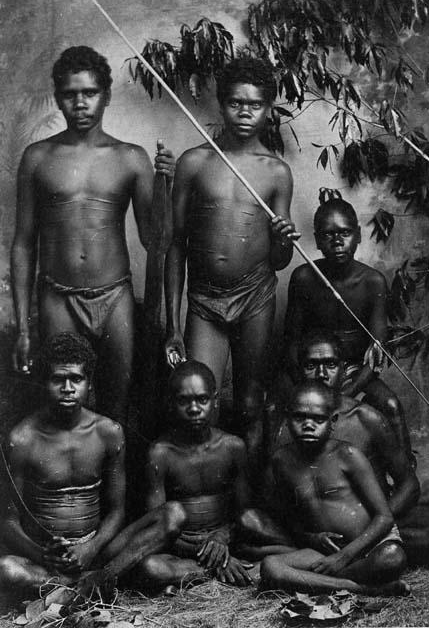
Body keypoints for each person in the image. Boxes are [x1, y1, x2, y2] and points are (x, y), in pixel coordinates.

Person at [11, 46, 175, 422]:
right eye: (70, 95)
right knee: (67, 408)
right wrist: (24, 326)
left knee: (117, 403)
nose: (80, 103)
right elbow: (23, 244)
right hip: (58, 296)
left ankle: (112, 479)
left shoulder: (131, 158)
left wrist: (167, 182)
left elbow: (155, 241)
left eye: (89, 93)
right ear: (58, 98)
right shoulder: (38, 157)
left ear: (106, 96)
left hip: (114, 295)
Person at [164, 58, 298, 468]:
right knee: (198, 399)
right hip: (205, 300)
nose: (244, 112)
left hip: (255, 295)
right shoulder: (194, 162)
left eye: (254, 105)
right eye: (235, 103)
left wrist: (283, 238)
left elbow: (279, 261)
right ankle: (210, 505)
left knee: (251, 402)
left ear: (268, 109)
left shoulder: (276, 172)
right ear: (221, 105)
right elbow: (174, 247)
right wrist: (173, 323)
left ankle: (251, 505)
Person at [284, 198, 411, 457]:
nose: (338, 241)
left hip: (354, 371)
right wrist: (306, 384)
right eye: (329, 235)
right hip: (311, 370)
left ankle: (404, 474)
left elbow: (377, 353)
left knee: (391, 406)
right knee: (272, 409)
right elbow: (291, 343)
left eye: (345, 233)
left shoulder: (373, 282)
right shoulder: (304, 279)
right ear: (318, 241)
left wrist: (348, 393)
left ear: (358, 236)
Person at [0, 333, 126, 590]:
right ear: (45, 383)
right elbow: (8, 522)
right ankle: (87, 585)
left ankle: (74, 585)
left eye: (76, 379)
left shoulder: (108, 432)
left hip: (95, 548)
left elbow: (117, 511)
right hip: (48, 557)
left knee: (171, 515)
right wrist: (43, 555)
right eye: (58, 379)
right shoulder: (22, 439)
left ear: (89, 384)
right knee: (8, 569)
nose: (68, 388)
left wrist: (90, 548)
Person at [113, 360, 254, 589]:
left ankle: (210, 570)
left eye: (202, 399)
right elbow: (159, 527)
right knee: (151, 567)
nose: (194, 409)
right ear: (170, 404)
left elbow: (244, 514)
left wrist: (221, 539)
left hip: (224, 540)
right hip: (182, 549)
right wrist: (210, 556)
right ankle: (214, 570)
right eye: (184, 401)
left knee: (260, 542)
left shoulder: (232, 447)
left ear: (215, 400)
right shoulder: (161, 453)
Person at [259, 381, 409, 596]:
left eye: (318, 419)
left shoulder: (347, 455)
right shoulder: (281, 461)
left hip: (367, 546)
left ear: (332, 422)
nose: (308, 425)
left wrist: (344, 557)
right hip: (324, 552)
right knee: (270, 566)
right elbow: (287, 516)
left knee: (392, 557)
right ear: (287, 418)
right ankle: (361, 588)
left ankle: (307, 582)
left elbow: (384, 518)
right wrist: (311, 538)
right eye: (299, 417)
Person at [273, 329, 420, 521]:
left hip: (370, 527)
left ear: (343, 370)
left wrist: (371, 528)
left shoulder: (365, 418)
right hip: (320, 534)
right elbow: (278, 497)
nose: (321, 374)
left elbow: (409, 486)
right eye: (311, 366)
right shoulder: (289, 424)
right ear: (299, 371)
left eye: (331, 365)